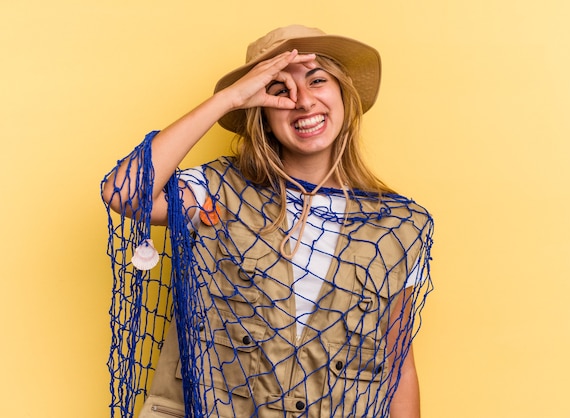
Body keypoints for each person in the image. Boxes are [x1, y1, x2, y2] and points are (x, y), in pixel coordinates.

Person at [102, 24, 433, 418]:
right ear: (259, 109)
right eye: (279, 90)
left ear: (344, 93)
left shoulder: (396, 225)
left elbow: (397, 363)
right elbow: (123, 192)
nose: (303, 102)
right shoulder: (216, 194)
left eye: (317, 81)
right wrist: (229, 99)